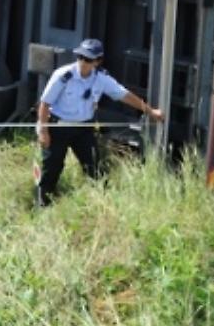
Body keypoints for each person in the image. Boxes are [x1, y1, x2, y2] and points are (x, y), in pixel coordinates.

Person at [35, 38, 164, 206]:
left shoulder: (101, 79)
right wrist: (43, 131)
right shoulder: (63, 75)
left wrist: (151, 111)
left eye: (87, 59)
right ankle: (42, 206)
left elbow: (124, 95)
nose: (82, 62)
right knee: (51, 169)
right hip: (58, 127)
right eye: (80, 57)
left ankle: (102, 206)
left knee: (95, 168)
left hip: (83, 129)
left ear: (97, 61)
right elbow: (45, 103)